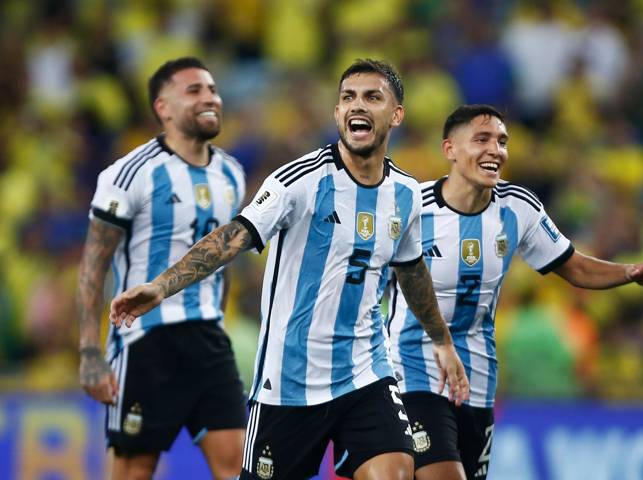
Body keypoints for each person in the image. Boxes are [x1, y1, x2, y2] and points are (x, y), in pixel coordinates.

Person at [109, 59, 470, 480]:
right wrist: (160, 287)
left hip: (365, 372)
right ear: (337, 114)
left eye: (372, 97)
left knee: (396, 471)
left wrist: (441, 341)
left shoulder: (407, 194)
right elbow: (234, 236)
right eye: (348, 98)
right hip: (289, 383)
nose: (357, 106)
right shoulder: (302, 181)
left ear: (396, 115)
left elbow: (411, 271)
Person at [387, 104, 643, 480]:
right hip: (413, 364)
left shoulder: (518, 207)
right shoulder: (410, 209)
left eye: (502, 141)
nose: (496, 150)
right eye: (482, 139)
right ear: (450, 149)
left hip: (478, 376)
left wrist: (628, 272)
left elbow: (573, 265)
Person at [76, 57, 248, 480]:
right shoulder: (129, 173)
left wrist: (219, 320)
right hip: (146, 340)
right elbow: (94, 265)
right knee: (135, 470)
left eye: (212, 89)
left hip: (209, 339)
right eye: (194, 90)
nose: (209, 97)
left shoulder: (232, 173)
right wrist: (89, 351)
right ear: (163, 108)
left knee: (240, 468)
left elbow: (223, 261)